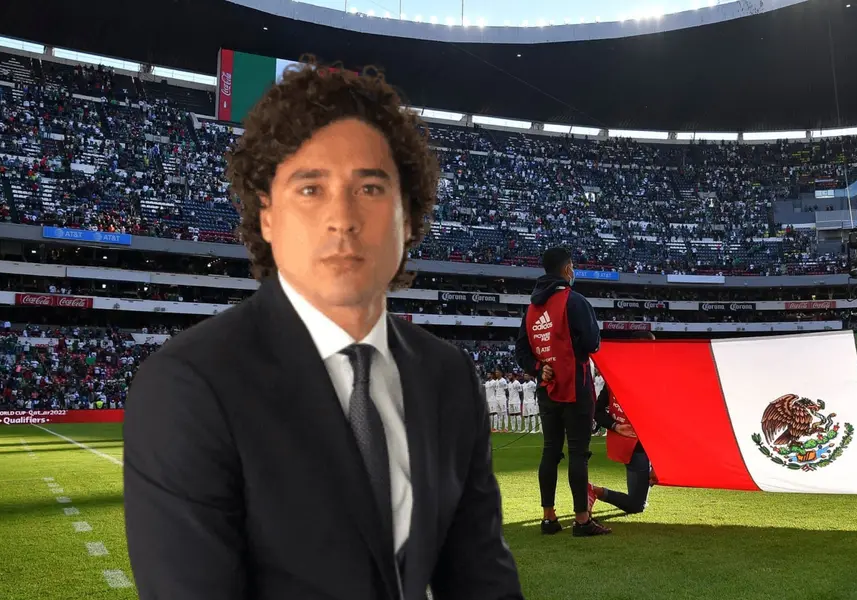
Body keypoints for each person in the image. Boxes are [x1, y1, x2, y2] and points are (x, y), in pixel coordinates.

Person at [123, 60, 523, 600]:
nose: (343, 217)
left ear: (409, 213)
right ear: (266, 215)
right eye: (310, 189)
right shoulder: (188, 387)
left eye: (371, 188)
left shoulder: (448, 377)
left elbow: (483, 579)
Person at [515, 247, 608, 537]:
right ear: (567, 269)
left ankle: (548, 517)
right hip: (575, 386)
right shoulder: (575, 302)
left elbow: (521, 350)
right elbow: (593, 343)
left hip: (547, 388)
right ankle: (581, 520)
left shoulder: (531, 309)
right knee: (578, 453)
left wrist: (536, 367)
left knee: (550, 451)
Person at [589, 331, 657, 515]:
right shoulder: (616, 378)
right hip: (635, 447)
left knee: (639, 499)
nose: (650, 352)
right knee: (637, 505)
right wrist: (616, 426)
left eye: (652, 349)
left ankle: (594, 490)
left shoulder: (656, 377)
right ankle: (594, 491)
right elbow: (597, 410)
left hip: (651, 447)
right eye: (645, 349)